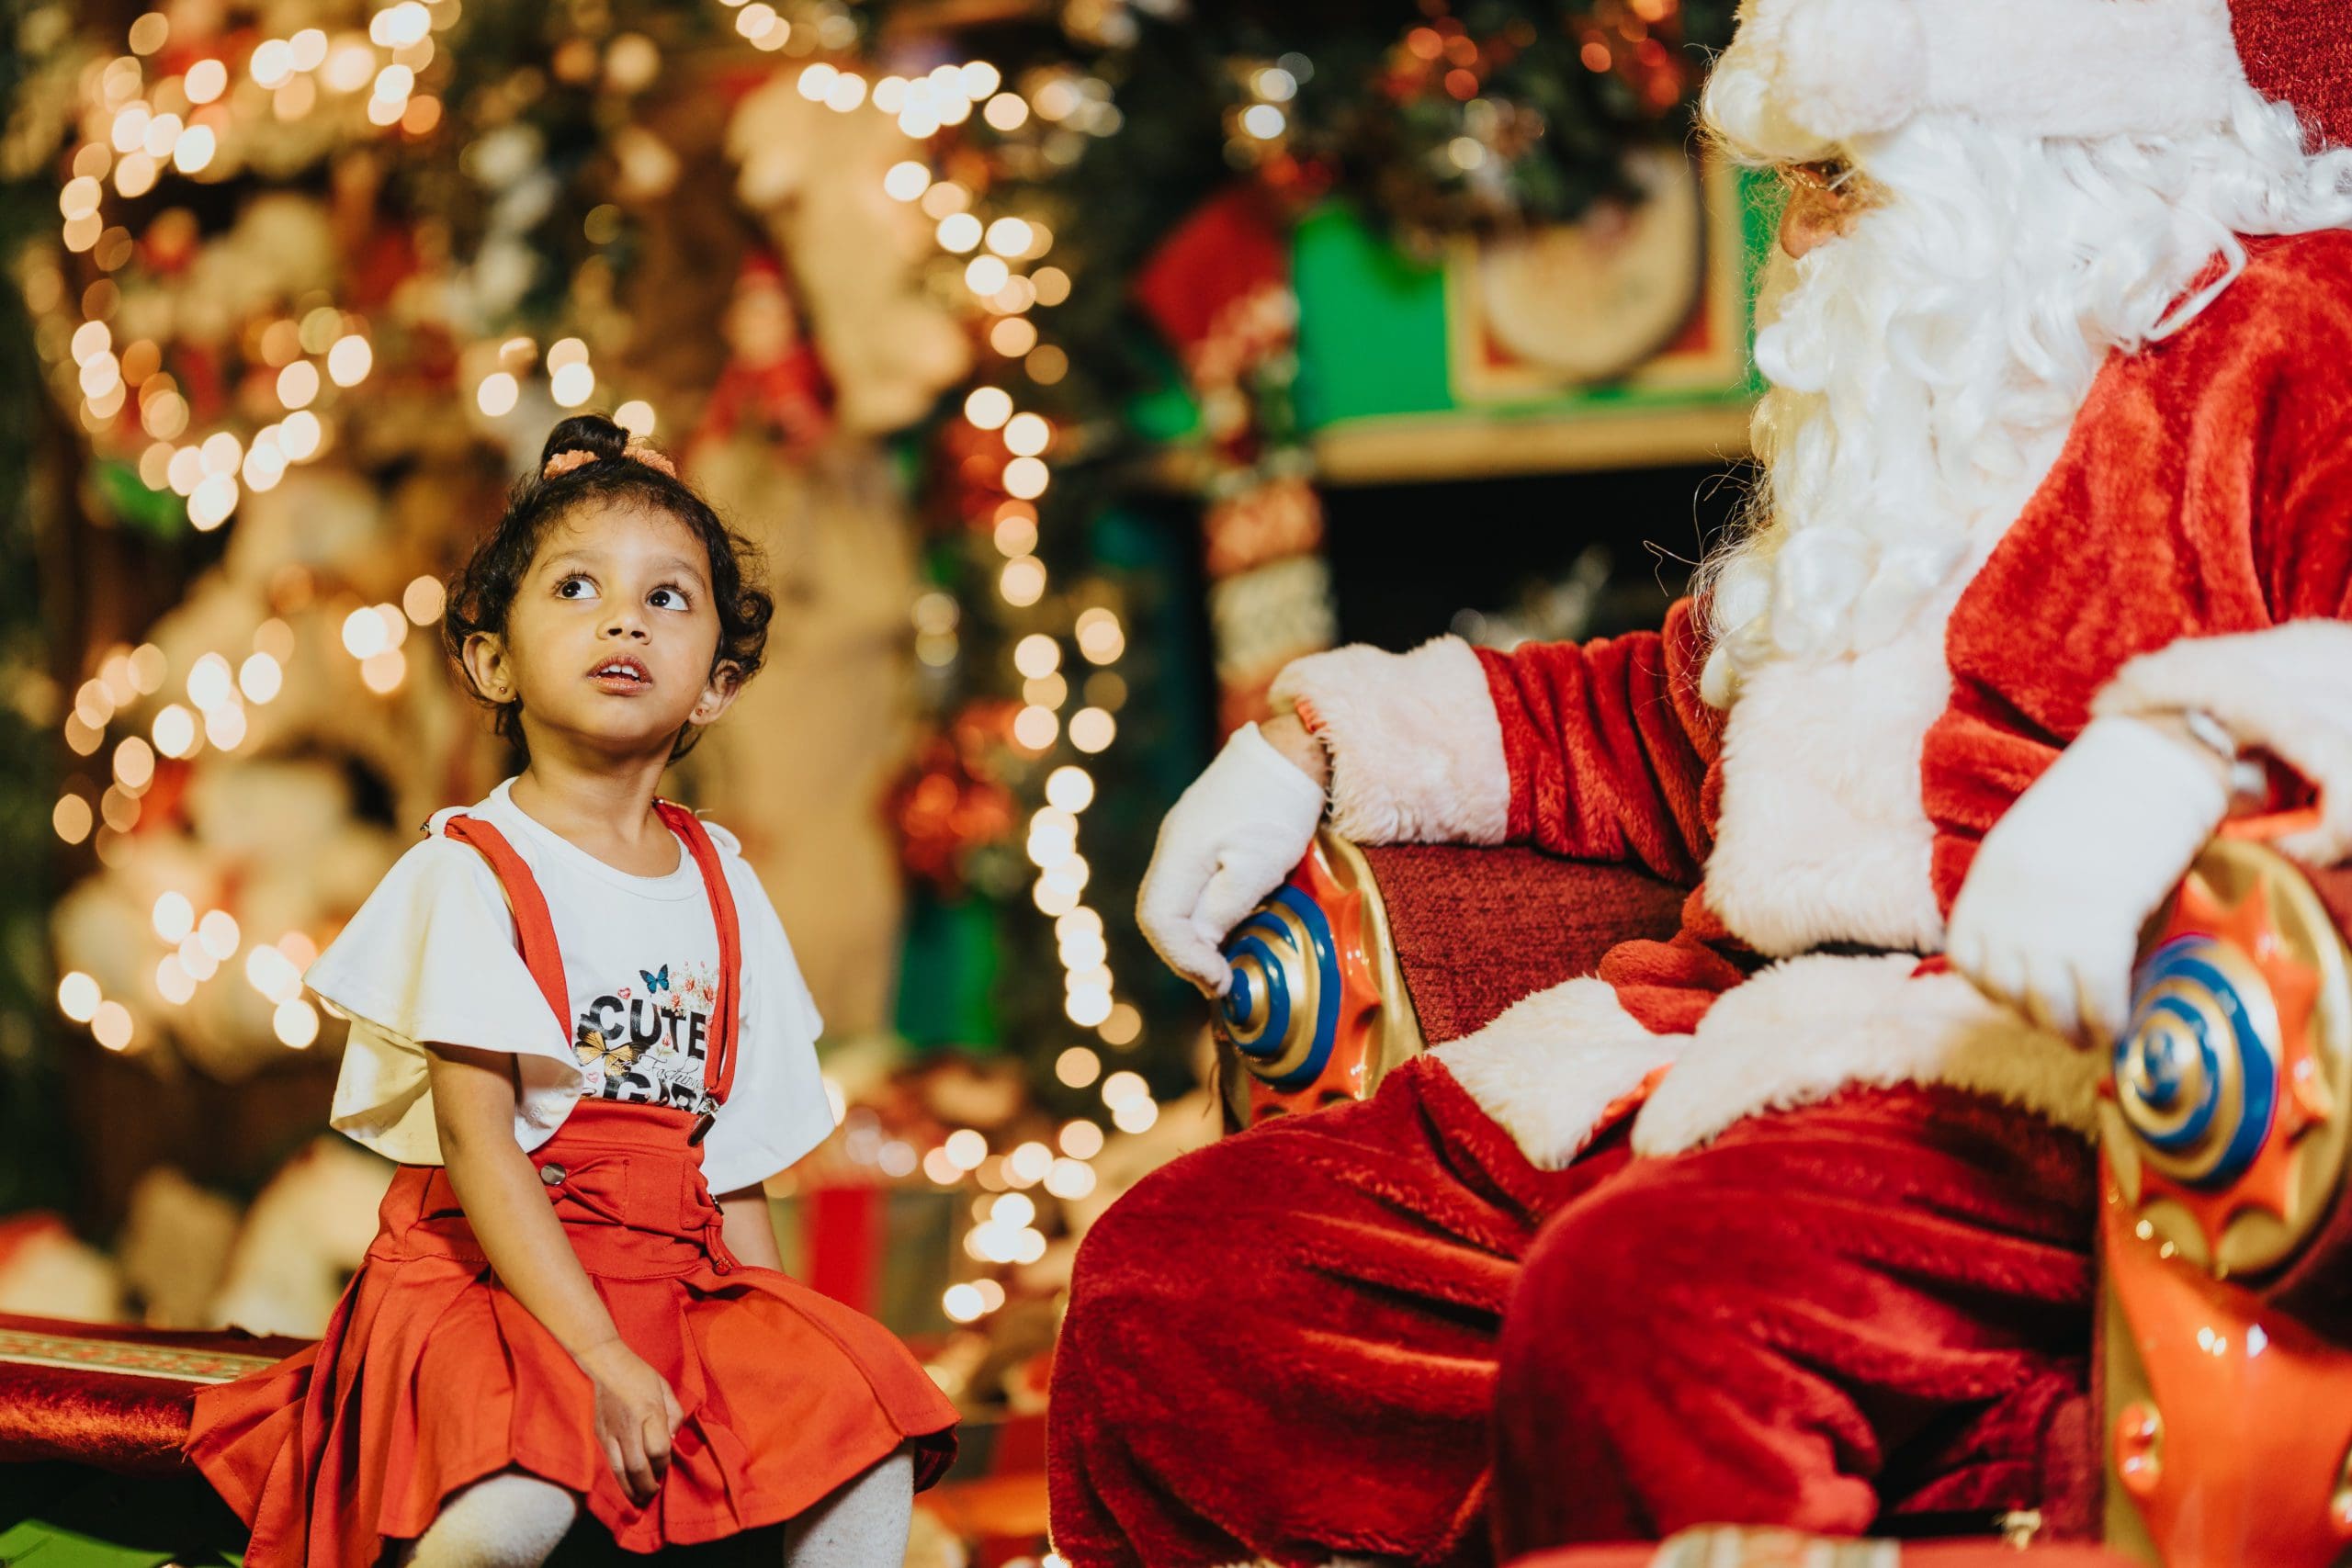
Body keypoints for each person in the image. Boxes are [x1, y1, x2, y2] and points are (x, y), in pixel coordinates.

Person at [1051, 2, 2352, 1563]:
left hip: (2060, 1092)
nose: (1791, 250)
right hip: (1713, 1055)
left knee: (1654, 1292)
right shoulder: (1920, 430)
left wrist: (2188, 743)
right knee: (1189, 1273)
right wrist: (1315, 741)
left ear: (2028, 155)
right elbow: (1678, 720)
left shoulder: (2289, 339)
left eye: (1837, 185)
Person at [184, 414, 958, 1567]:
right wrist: (599, 1354)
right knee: (522, 1494)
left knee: (861, 1433)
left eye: (667, 599)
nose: (623, 620)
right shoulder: (472, 871)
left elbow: (730, 1161)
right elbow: (481, 1146)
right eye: (578, 587)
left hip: (674, 1271)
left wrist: (771, 1365)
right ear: (492, 658)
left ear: (717, 686)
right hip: (492, 1279)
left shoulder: (723, 885)